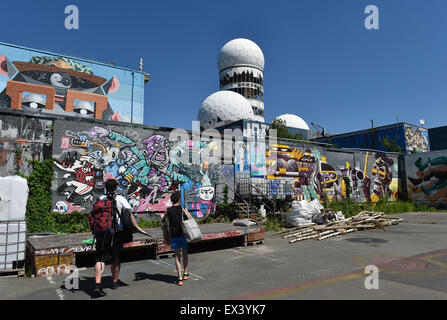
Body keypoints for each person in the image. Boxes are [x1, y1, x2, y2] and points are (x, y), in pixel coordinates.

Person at [89, 179, 133, 297]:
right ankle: (114, 282)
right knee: (116, 258)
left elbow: (93, 215)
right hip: (116, 233)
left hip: (102, 232)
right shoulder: (120, 199)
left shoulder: (99, 199)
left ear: (105, 187)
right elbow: (129, 214)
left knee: (100, 258)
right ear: (116, 188)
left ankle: (98, 285)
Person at [164, 191, 190, 286]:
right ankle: (185, 273)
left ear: (171, 200)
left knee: (177, 256)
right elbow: (190, 219)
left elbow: (163, 220)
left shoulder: (169, 210)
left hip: (174, 235)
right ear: (179, 199)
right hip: (183, 234)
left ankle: (179, 278)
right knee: (185, 254)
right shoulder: (182, 209)